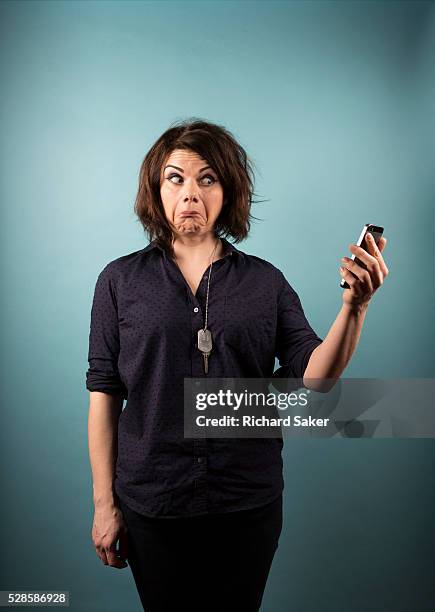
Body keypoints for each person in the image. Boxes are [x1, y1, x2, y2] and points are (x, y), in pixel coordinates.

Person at [86, 118, 389, 611]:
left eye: (207, 179)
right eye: (175, 178)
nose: (190, 193)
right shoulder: (118, 282)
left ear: (228, 192)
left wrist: (355, 308)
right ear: (155, 190)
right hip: (152, 502)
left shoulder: (266, 283)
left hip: (246, 503)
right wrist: (105, 504)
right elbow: (104, 392)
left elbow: (315, 377)